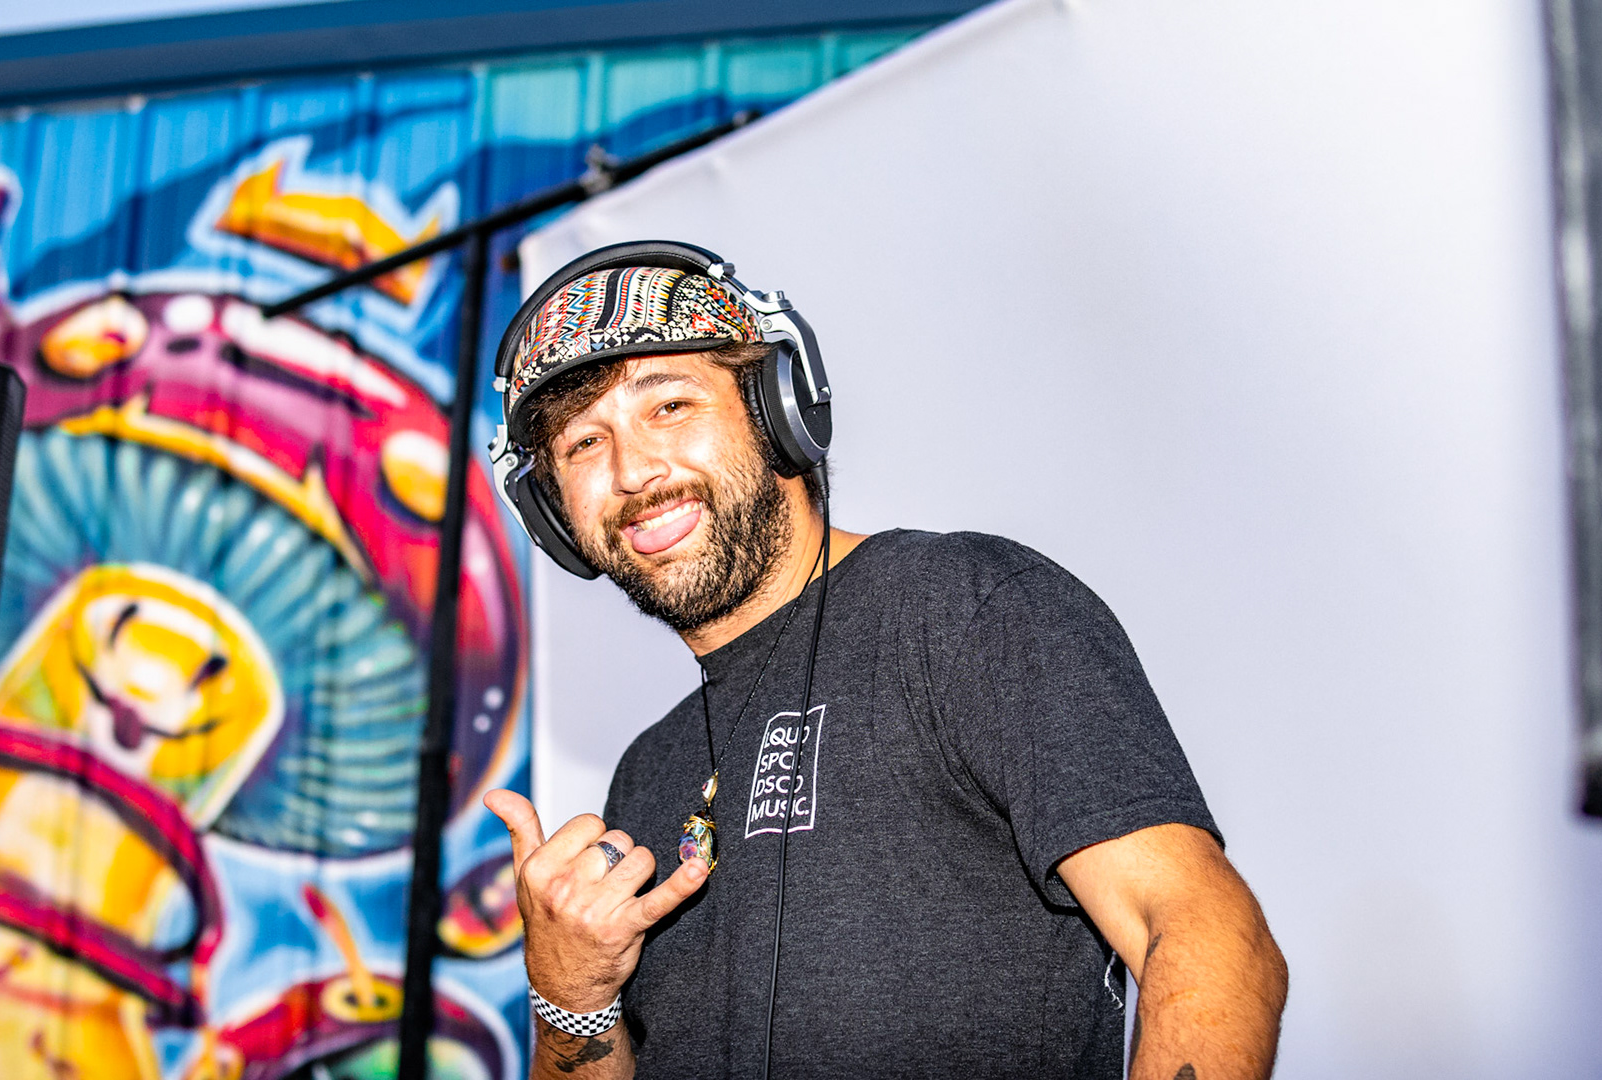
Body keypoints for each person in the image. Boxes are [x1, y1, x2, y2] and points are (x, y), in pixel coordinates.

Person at [483, 246, 1288, 1080]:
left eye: (671, 406)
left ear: (778, 412)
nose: (633, 472)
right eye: (584, 443)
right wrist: (570, 996)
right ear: (552, 515)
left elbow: (1202, 933)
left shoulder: (968, 608)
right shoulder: (647, 772)